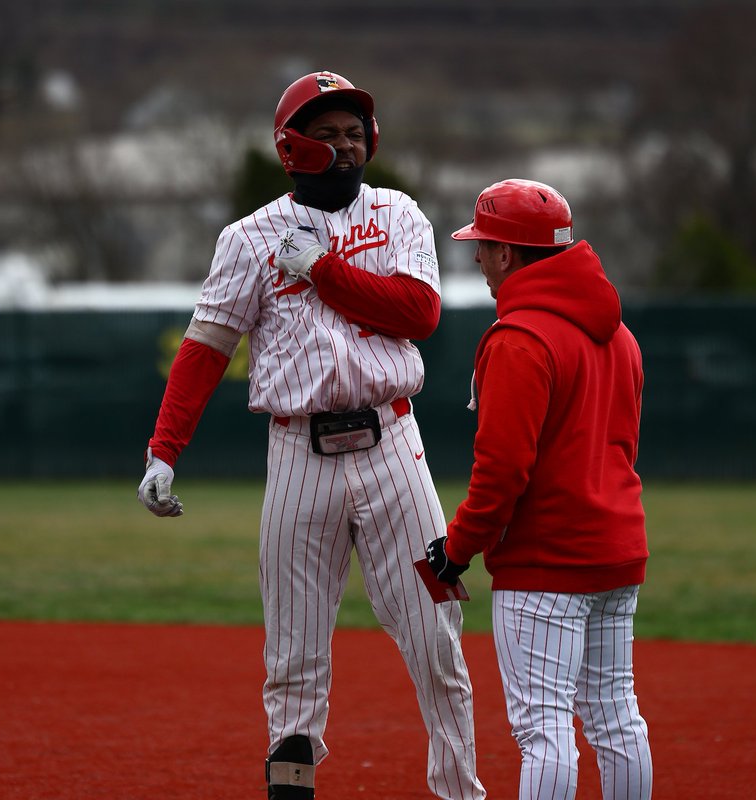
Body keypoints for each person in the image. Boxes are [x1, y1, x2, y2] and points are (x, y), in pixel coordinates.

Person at [136, 70, 486, 800]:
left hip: (396, 449)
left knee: (436, 639)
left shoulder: (398, 214)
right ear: (292, 147)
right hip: (299, 455)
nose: (346, 147)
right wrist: (163, 451)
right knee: (292, 655)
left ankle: (460, 792)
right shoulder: (247, 238)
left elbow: (419, 313)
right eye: (327, 135)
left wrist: (324, 270)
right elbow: (204, 351)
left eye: (355, 132)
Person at [425, 179, 653, 800]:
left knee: (543, 726)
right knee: (614, 713)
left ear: (508, 254)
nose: (478, 258)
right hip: (617, 545)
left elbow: (502, 471)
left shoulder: (520, 338)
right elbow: (625, 448)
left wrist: (460, 545)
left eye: (485, 245)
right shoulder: (620, 335)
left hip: (545, 559)